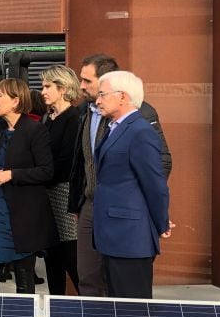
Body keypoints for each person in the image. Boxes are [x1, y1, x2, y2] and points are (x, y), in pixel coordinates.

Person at [67, 53, 172, 296]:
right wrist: (78, 204)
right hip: (91, 206)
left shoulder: (140, 122)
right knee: (90, 276)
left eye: (88, 81)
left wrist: (153, 215)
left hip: (124, 219)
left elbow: (156, 173)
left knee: (125, 291)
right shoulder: (85, 112)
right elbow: (84, 161)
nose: (81, 86)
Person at [92, 71, 170, 298]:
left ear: (123, 97)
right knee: (118, 304)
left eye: (102, 94)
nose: (98, 100)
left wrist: (161, 222)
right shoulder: (116, 128)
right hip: (115, 234)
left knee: (132, 308)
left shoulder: (140, 131)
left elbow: (155, 185)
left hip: (129, 238)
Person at [0, 78, 56, 293]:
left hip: (25, 213)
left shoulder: (35, 130)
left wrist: (11, 175)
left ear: (16, 101)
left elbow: (46, 171)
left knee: (24, 270)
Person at [39, 65, 83, 295]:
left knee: (71, 257)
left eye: (48, 86)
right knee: (52, 257)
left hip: (64, 195)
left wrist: (38, 174)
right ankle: (55, 305)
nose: (43, 91)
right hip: (47, 195)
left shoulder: (74, 118)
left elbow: (67, 161)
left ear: (63, 88)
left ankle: (92, 309)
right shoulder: (48, 118)